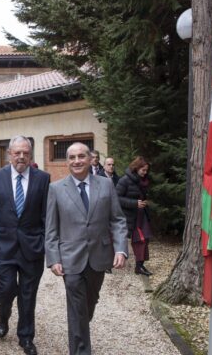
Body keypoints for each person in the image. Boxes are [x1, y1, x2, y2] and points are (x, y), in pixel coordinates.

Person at [45, 142, 127, 355]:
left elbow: (117, 219)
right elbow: (51, 229)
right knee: (76, 308)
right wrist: (53, 258)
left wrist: (120, 249)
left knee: (88, 305)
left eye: (81, 156)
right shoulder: (56, 189)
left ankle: (81, 326)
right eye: (72, 157)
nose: (76, 161)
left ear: (91, 159)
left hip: (99, 257)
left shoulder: (106, 185)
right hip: (70, 259)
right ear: (67, 162)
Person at [0, 135, 50, 355]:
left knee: (28, 294)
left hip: (32, 247)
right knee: (7, 287)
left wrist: (43, 242)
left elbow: (45, 214)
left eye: (25, 153)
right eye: (17, 152)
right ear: (9, 154)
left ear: (30, 155)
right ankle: (4, 315)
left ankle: (26, 337)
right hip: (4, 246)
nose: (21, 156)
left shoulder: (43, 178)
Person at [116, 156, 153, 276]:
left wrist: (144, 202)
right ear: (136, 168)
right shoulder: (124, 180)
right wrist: (134, 203)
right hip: (130, 216)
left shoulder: (144, 180)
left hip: (142, 214)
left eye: (146, 170)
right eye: (143, 170)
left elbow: (141, 196)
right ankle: (137, 266)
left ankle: (140, 266)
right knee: (140, 240)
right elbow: (116, 198)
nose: (145, 172)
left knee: (145, 239)